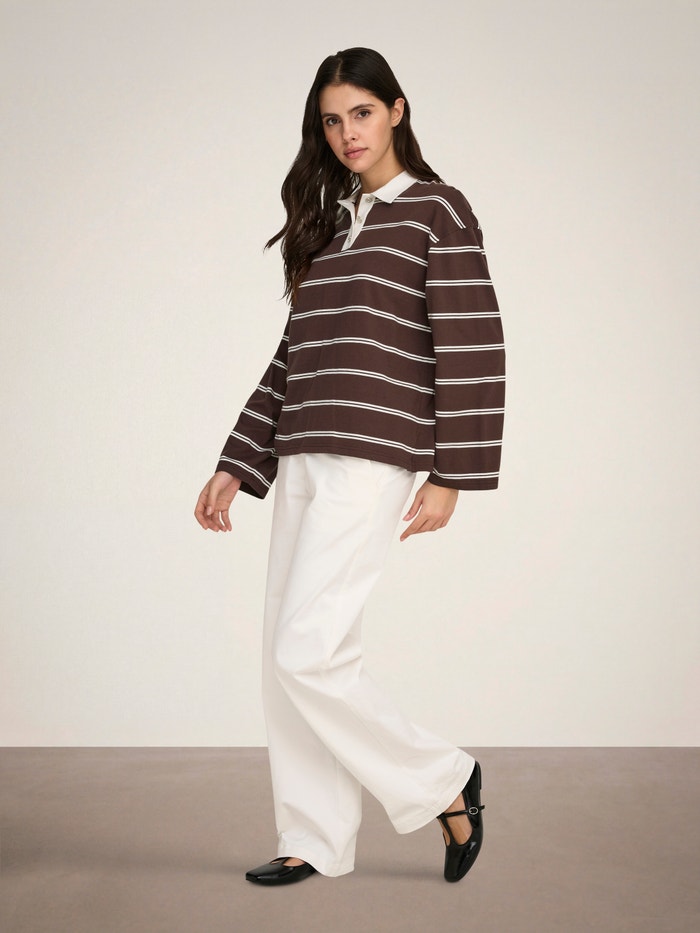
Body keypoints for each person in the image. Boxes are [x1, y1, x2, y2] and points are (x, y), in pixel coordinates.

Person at [194, 47, 505, 886]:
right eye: (331, 120)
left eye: (360, 113)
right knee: (286, 653)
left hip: (374, 456)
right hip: (301, 449)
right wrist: (238, 460)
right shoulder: (330, 225)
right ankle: (315, 837)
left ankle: (445, 779)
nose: (346, 133)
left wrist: (452, 472)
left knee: (309, 648)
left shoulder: (438, 210)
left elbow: (472, 342)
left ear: (396, 110)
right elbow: (292, 356)